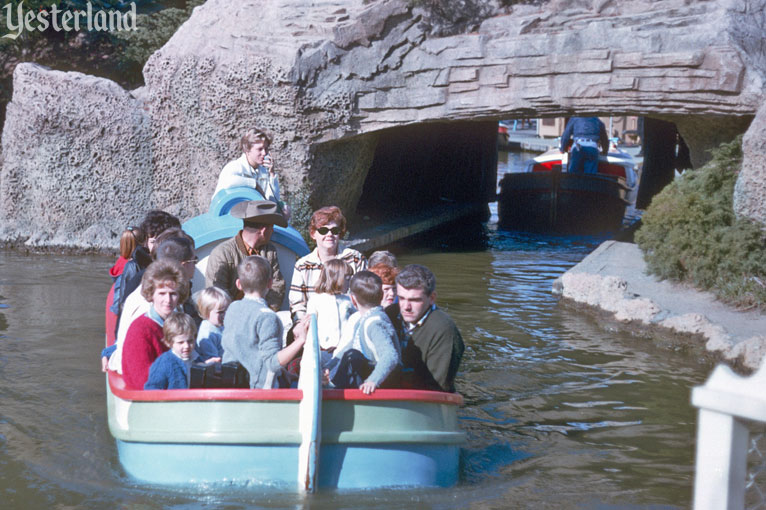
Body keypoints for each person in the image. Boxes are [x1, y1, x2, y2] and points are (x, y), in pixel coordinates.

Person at [107, 235, 198, 373]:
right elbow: (138, 370)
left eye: (172, 294)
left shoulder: (171, 297)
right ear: (183, 265)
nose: (168, 299)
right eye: (194, 261)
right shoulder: (144, 312)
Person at [221, 256, 308, 389]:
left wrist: (284, 373)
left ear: (238, 284)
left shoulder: (232, 308)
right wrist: (301, 340)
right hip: (259, 391)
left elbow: (249, 350)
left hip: (231, 385)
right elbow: (272, 362)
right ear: (270, 284)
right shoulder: (267, 318)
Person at [386, 264, 464, 393]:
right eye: (401, 298)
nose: (406, 307)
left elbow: (438, 388)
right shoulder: (389, 314)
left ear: (432, 298)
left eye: (415, 300)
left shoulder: (445, 331)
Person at [326, 271, 401, 394]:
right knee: (350, 354)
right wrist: (329, 366)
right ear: (382, 295)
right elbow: (348, 347)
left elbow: (390, 356)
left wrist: (373, 380)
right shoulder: (363, 319)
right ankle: (330, 382)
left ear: (352, 299)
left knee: (353, 356)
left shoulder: (375, 323)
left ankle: (332, 389)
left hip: (386, 380)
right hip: (372, 370)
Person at [122, 259, 190, 390]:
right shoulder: (140, 330)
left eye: (173, 294)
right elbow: (142, 383)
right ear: (151, 294)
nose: (168, 300)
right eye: (162, 293)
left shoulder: (179, 324)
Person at [205, 200, 286, 311]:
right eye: (272, 227)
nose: (272, 231)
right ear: (263, 230)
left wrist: (265, 311)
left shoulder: (269, 251)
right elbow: (217, 293)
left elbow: (277, 286)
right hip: (229, 319)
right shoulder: (222, 253)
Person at [289, 206, 366, 322]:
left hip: (351, 321)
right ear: (313, 234)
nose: (329, 234)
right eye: (323, 230)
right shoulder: (302, 266)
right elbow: (297, 305)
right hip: (314, 323)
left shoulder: (355, 259)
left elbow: (365, 296)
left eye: (334, 231)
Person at [113, 210, 181, 318]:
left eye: (163, 241)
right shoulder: (134, 267)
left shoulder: (175, 268)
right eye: (153, 242)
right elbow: (122, 306)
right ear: (146, 241)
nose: (158, 247)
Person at [213, 129, 288, 216]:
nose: (264, 153)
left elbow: (271, 201)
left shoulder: (263, 171)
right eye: (259, 149)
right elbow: (228, 182)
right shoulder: (235, 167)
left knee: (285, 210)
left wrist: (272, 174)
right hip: (228, 215)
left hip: (254, 215)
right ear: (247, 150)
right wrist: (254, 184)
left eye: (266, 149)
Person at [144, 312, 204, 390]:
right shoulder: (164, 363)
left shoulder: (196, 358)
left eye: (190, 341)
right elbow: (152, 389)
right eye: (180, 342)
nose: (186, 346)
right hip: (173, 401)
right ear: (169, 342)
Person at [306, 259, 355, 351]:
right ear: (336, 278)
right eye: (347, 279)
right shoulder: (316, 300)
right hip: (323, 349)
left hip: (345, 348)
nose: (350, 283)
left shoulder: (348, 300)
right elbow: (311, 328)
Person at [195, 286, 231, 361]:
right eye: (220, 312)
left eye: (227, 310)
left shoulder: (219, 325)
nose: (225, 315)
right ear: (206, 312)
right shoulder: (207, 334)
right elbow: (213, 360)